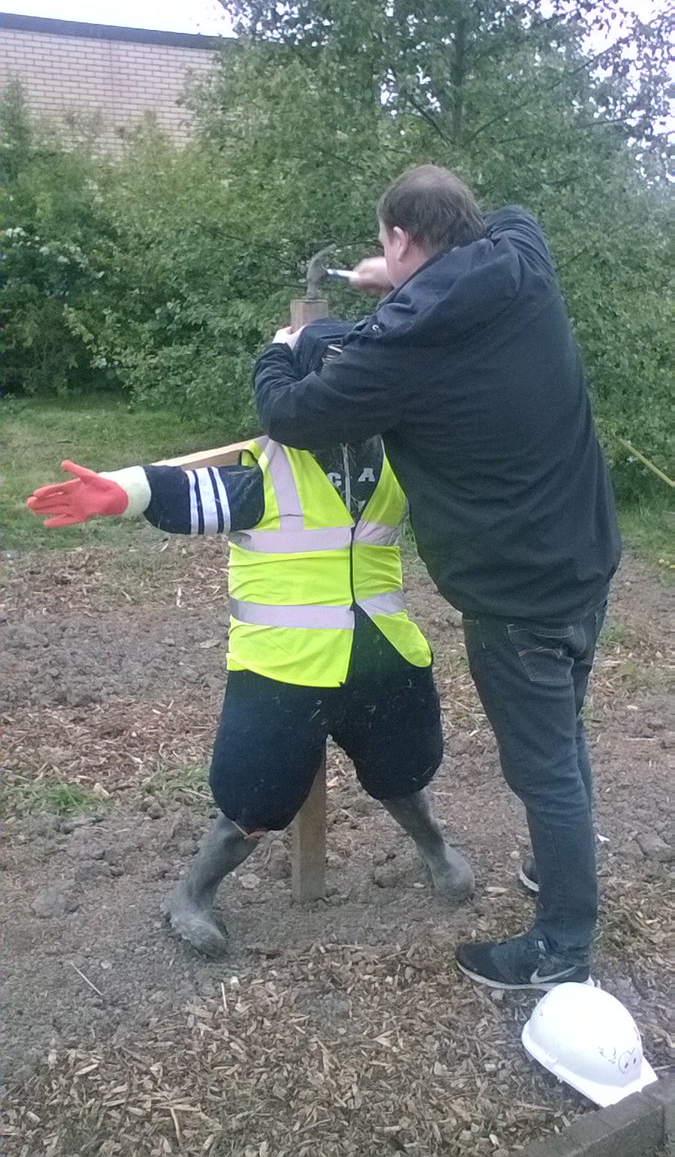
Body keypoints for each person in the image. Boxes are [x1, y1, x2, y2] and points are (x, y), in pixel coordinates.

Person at [253, 165, 621, 990]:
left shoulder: (399, 349)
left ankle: (561, 947)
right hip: (585, 555)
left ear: (396, 237)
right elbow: (511, 216)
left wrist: (283, 351)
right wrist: (402, 276)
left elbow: (296, 414)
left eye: (389, 245)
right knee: (560, 740)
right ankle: (560, 875)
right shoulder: (522, 259)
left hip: (514, 591)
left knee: (542, 766)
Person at [27, 319, 475, 959]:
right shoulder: (269, 469)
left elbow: (471, 488)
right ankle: (193, 893)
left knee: (402, 768)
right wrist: (121, 492)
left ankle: (434, 849)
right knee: (253, 796)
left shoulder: (402, 460)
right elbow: (182, 491)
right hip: (280, 669)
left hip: (384, 656)